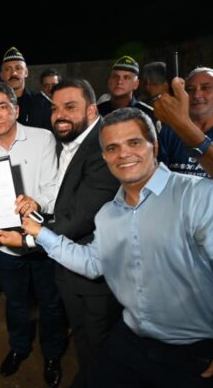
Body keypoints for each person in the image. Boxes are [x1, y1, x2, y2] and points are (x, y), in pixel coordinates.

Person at [23, 107, 213, 388]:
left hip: (199, 352)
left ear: (154, 146)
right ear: (104, 156)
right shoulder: (107, 215)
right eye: (112, 147)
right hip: (131, 339)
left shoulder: (201, 197)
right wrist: (40, 233)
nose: (123, 154)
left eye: (134, 142)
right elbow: (92, 263)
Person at [0, 82, 65, 386]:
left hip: (42, 240)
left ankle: (52, 354)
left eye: (3, 106)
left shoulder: (42, 139)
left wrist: (37, 202)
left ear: (16, 109)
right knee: (15, 303)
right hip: (6, 245)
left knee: (50, 301)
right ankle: (19, 348)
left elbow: (54, 187)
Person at [48, 79, 122, 387]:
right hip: (68, 267)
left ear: (91, 110)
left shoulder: (103, 146)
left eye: (70, 107)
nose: (59, 115)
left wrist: (29, 237)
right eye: (55, 108)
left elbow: (79, 218)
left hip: (94, 276)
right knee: (84, 337)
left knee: (99, 342)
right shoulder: (66, 140)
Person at [157, 67, 213, 181]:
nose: (197, 95)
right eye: (190, 89)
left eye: (205, 88)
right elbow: (158, 176)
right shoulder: (170, 130)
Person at [0, 47, 52, 138]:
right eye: (8, 69)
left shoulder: (41, 103)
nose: (13, 73)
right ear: (2, 75)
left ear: (26, 72)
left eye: (18, 68)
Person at [97, 55, 155, 121]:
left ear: (136, 84)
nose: (119, 81)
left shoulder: (148, 114)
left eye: (126, 77)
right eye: (115, 77)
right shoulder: (96, 113)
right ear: (109, 81)